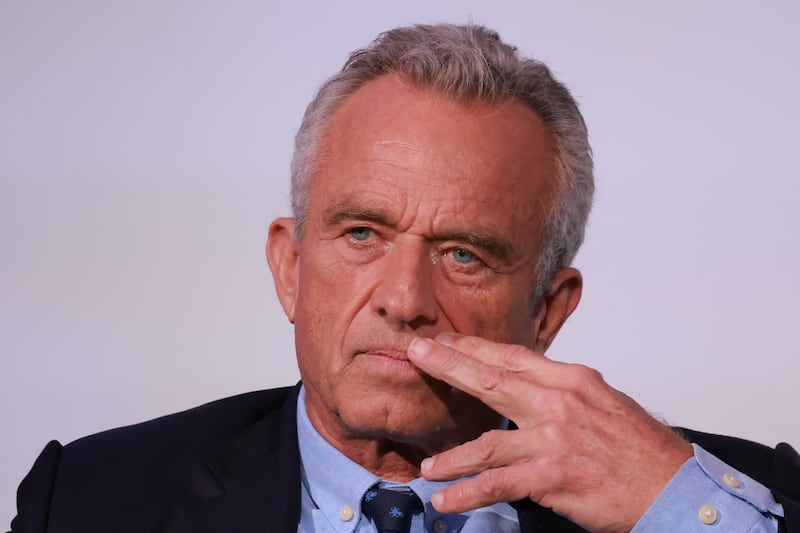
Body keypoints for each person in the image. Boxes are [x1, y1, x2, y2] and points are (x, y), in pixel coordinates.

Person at [9, 23, 799, 533]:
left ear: (549, 310)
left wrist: (684, 512)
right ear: (290, 267)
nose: (405, 298)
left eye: (464, 254)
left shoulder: (736, 501)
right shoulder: (89, 499)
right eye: (362, 233)